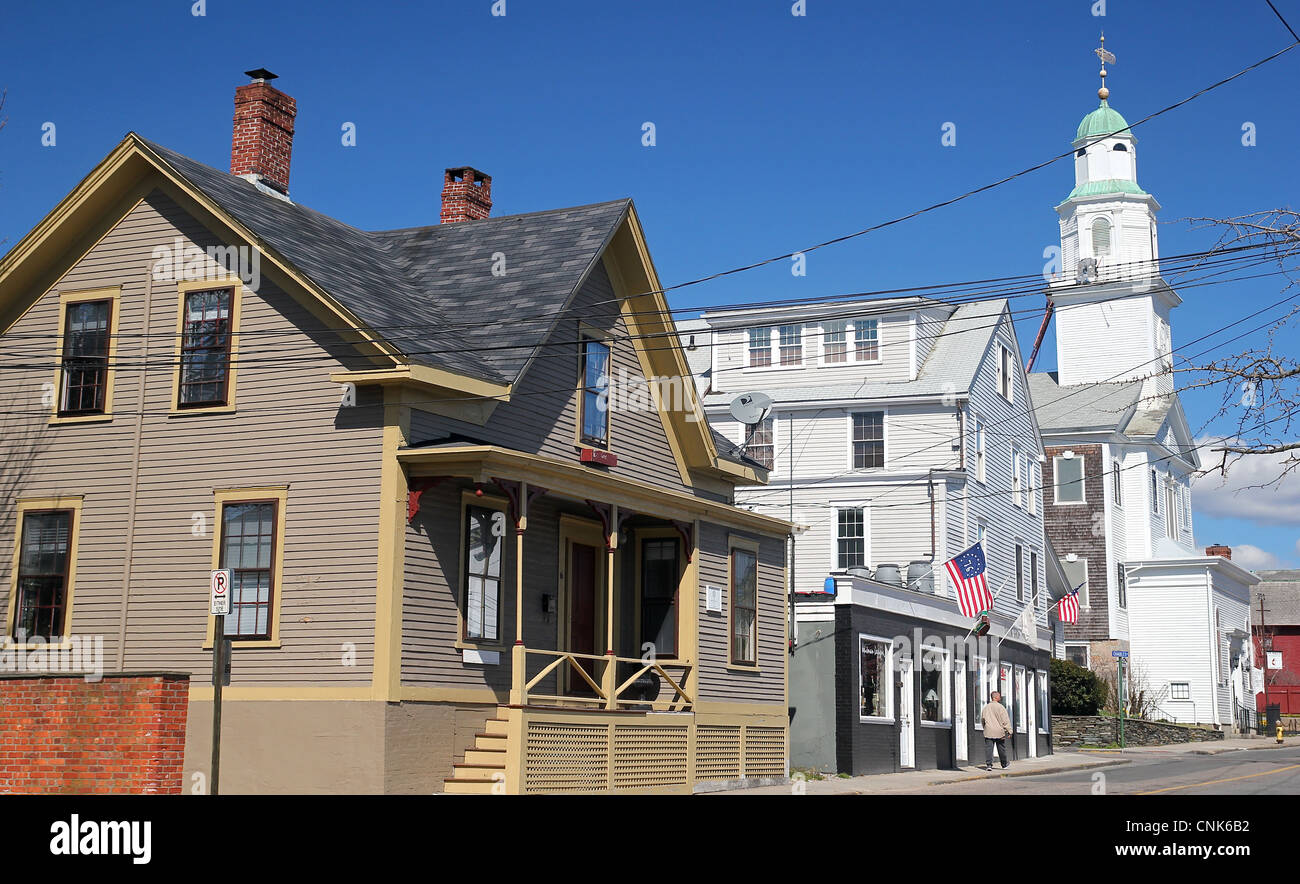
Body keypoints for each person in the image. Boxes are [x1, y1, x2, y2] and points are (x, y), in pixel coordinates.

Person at [980, 690, 1012, 771]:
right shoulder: (1001, 707)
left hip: (989, 731)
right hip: (999, 731)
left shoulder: (986, 707)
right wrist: (1009, 731)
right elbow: (1005, 720)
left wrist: (985, 727)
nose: (1000, 697)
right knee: (1001, 748)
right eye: (999, 696)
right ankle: (1004, 764)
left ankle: (989, 765)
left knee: (989, 749)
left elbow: (983, 719)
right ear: (995, 697)